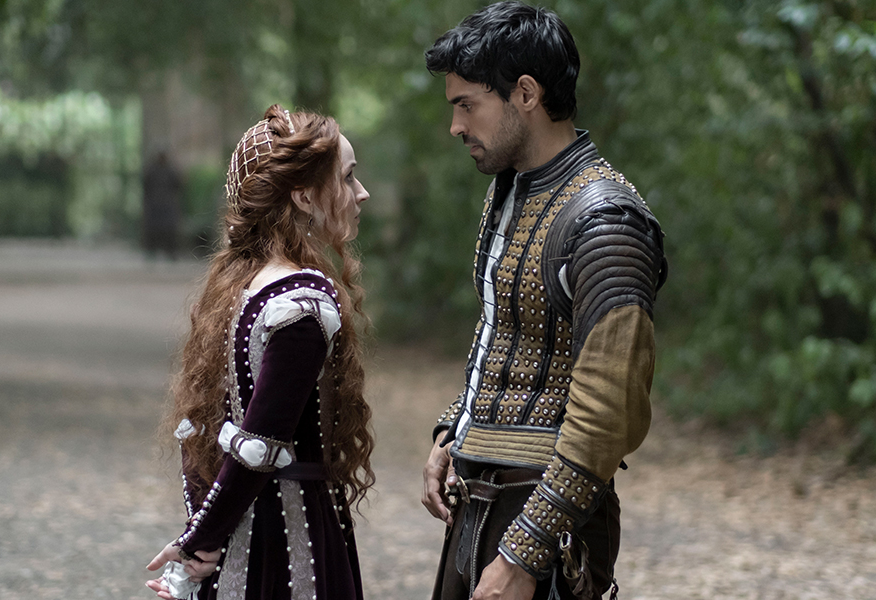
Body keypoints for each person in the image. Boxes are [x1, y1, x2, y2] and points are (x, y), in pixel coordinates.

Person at [419, 3, 668, 600]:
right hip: (478, 503)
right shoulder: (510, 191)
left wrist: (524, 555)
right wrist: (455, 430)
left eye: (466, 105)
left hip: (546, 521)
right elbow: (502, 330)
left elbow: (607, 417)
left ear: (525, 94)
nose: (455, 126)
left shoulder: (606, 221)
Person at [145, 105, 374, 600]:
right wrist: (199, 541)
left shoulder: (241, 287)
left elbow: (202, 435)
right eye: (349, 177)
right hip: (289, 547)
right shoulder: (303, 305)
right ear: (305, 196)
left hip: (241, 528)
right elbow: (257, 446)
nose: (361, 193)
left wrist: (204, 534)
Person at [142, 150, 184, 260]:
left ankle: (170, 252)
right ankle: (151, 252)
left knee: (169, 230)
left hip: (167, 205)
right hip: (155, 205)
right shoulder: (152, 171)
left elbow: (178, 184)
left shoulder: (170, 171)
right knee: (153, 230)